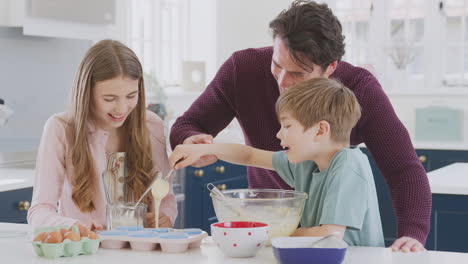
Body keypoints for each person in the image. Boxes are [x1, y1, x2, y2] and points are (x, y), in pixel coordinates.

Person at [170, 0, 430, 252]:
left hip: (308, 239)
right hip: (277, 225)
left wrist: (411, 236)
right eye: (277, 64)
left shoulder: (359, 92)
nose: (282, 81)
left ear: (330, 68)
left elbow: (404, 170)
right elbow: (191, 125)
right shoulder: (243, 69)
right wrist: (194, 144)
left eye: (298, 73)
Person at [170, 78, 384, 247]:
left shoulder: (348, 164)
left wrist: (266, 232)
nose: (279, 135)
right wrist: (204, 149)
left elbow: (329, 234)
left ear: (320, 130)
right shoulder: (306, 162)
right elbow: (249, 156)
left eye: (287, 126)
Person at [28, 40, 177, 230]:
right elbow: (40, 211)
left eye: (131, 96)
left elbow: (166, 199)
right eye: (109, 99)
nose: (122, 108)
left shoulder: (151, 126)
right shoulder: (61, 129)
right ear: (86, 93)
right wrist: (74, 226)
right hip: (86, 254)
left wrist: (164, 217)